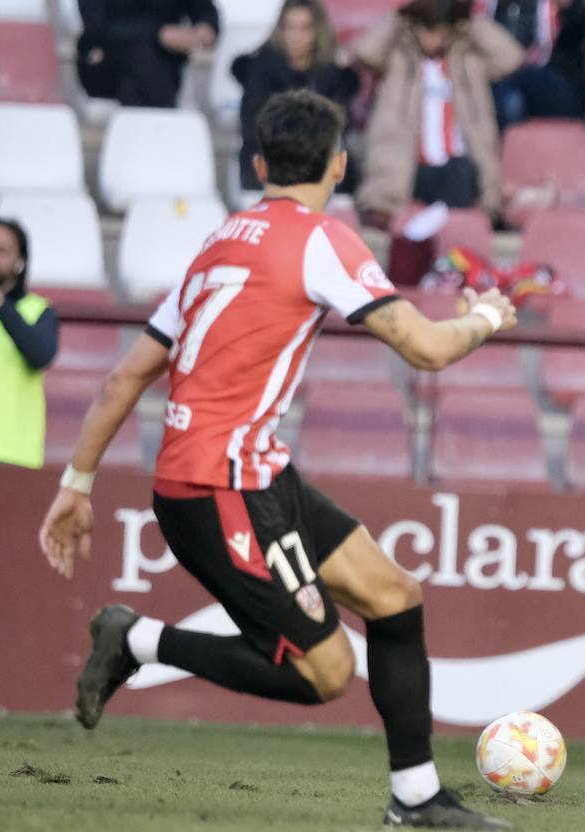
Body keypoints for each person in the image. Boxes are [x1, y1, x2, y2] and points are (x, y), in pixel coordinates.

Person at [38, 90, 516, 830]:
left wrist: (77, 483)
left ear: (257, 162)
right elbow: (425, 347)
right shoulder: (320, 237)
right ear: (339, 165)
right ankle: (136, 638)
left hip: (246, 471)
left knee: (394, 596)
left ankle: (416, 798)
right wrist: (486, 316)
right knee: (323, 673)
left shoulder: (218, 242)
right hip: (219, 486)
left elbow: (123, 376)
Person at [352, 0, 523, 228]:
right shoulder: (397, 59)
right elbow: (365, 51)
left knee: (459, 177)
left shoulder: (469, 62)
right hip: (408, 167)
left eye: (443, 33)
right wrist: (400, 19)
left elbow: (511, 56)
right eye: (429, 32)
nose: (436, 41)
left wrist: (469, 21)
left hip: (455, 170)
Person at [234, 0, 360, 193]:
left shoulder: (333, 76)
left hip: (318, 167)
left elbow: (337, 127)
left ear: (318, 31)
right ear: (280, 29)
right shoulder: (260, 70)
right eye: (290, 27)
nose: (296, 36)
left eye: (305, 28)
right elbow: (253, 129)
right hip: (269, 166)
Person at [76, 0, 219, 108]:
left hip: (161, 68)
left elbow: (205, 11)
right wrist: (159, 34)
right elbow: (97, 28)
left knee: (144, 69)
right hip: (105, 64)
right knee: (139, 60)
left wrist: (205, 27)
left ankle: (153, 129)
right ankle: (159, 127)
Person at [0, 219, 59, 470]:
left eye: (1, 251)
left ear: (20, 262)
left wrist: (2, 306)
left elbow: (40, 355)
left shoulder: (39, 310)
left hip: (15, 454)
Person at [483, 0, 585, 129]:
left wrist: (568, 8)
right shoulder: (488, 11)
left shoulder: (553, 7)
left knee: (516, 82)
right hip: (502, 82)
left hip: (558, 80)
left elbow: (583, 28)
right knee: (512, 100)